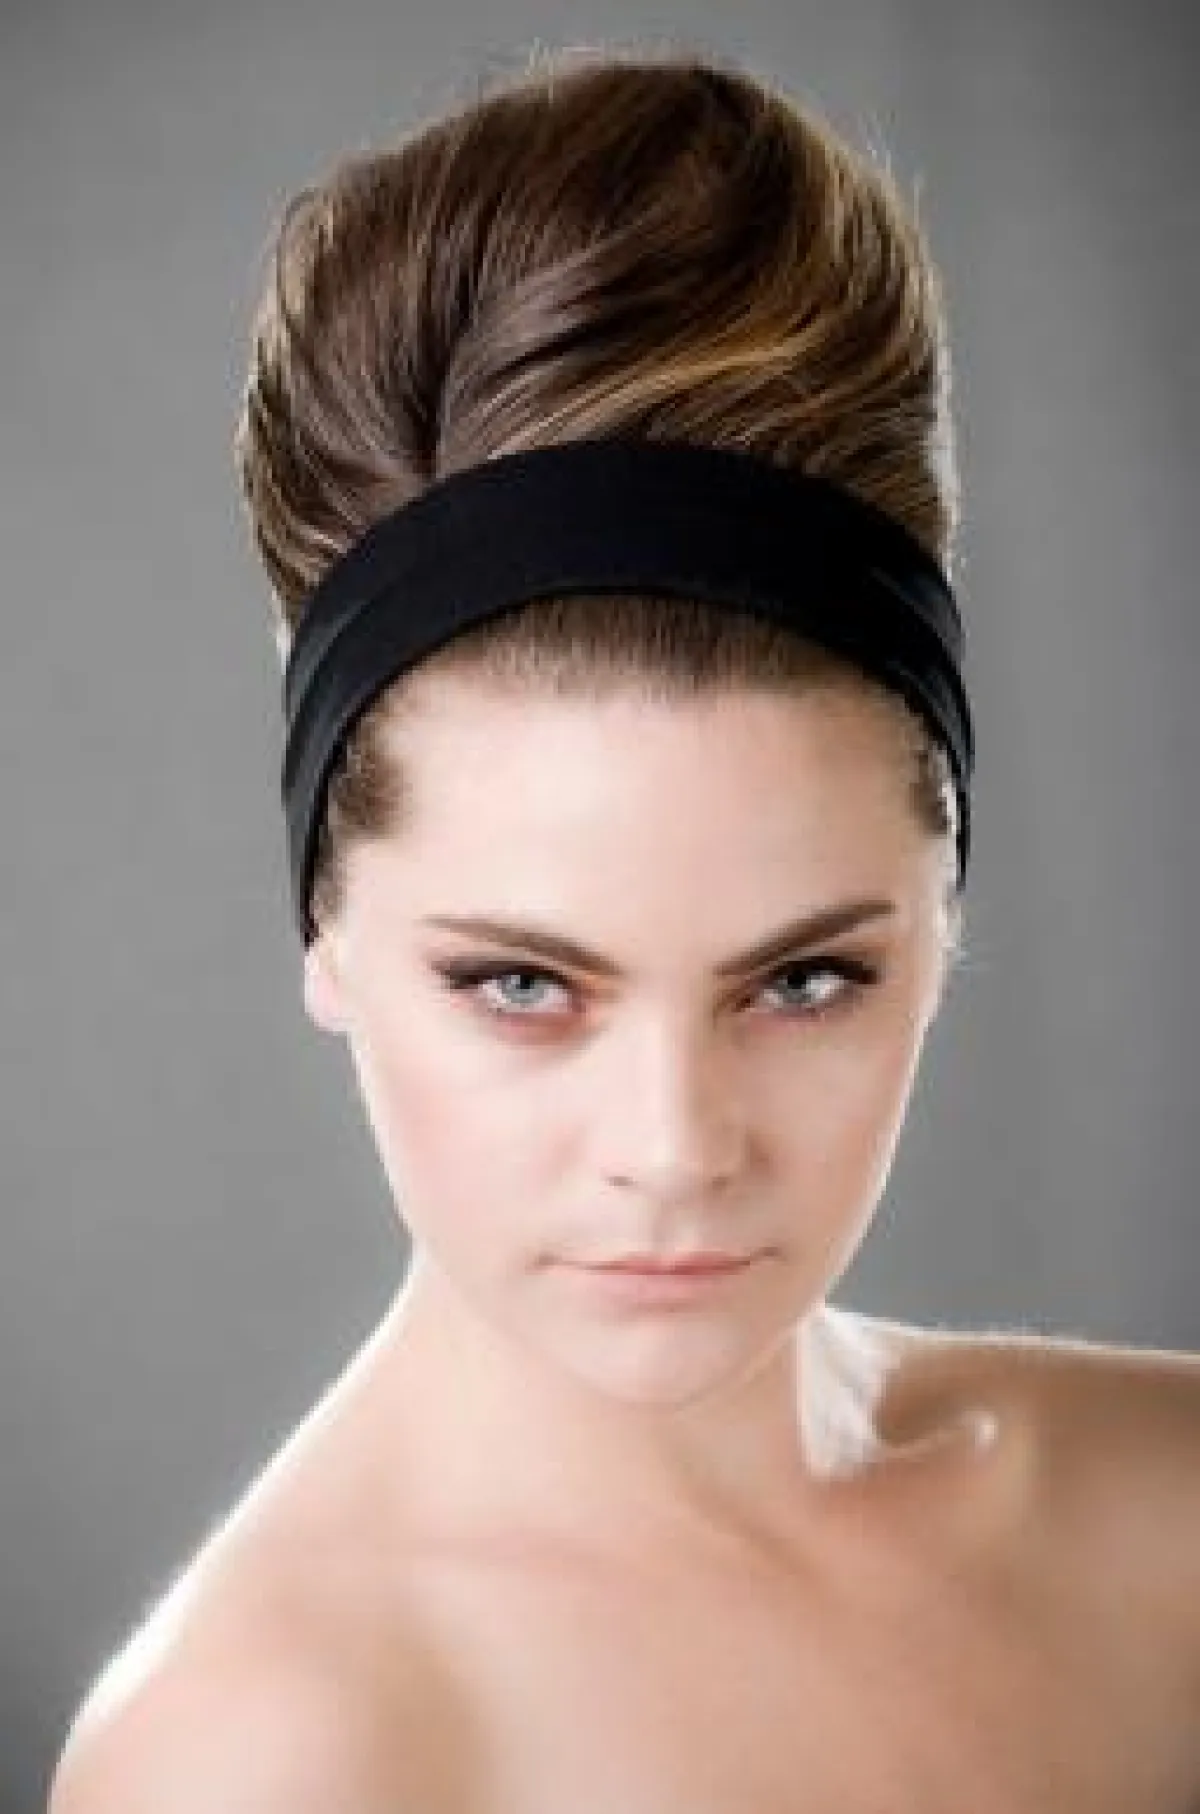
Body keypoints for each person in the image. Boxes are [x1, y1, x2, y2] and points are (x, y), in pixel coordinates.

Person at [50, 42, 1199, 1813]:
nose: (674, 1149)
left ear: (943, 909)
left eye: (805, 977)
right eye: (522, 982)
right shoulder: (267, 1763)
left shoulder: (1171, 1527)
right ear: (328, 924)